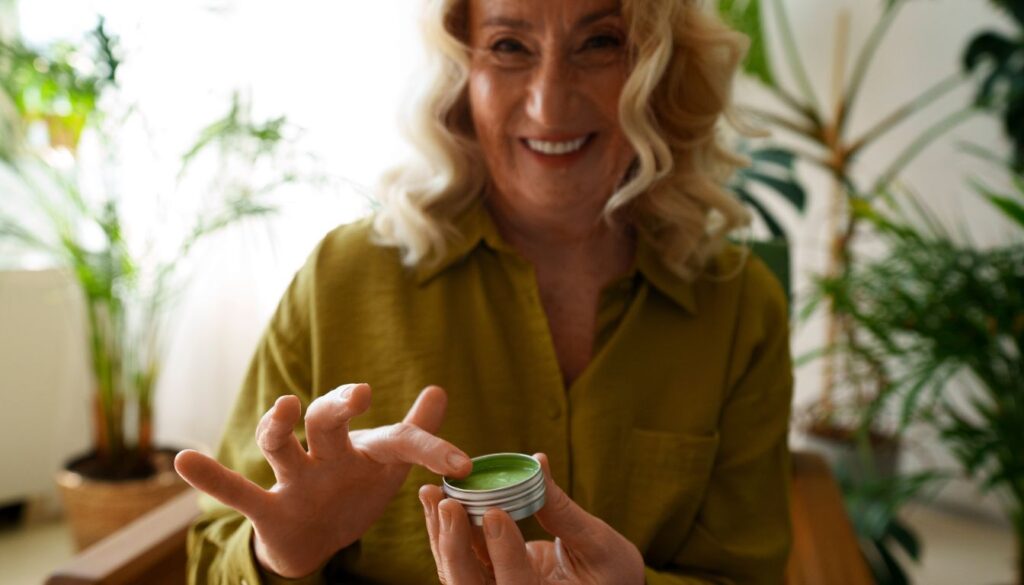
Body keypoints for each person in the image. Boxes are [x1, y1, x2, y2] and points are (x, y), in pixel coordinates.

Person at [173, 0, 794, 583]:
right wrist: (277, 555)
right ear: (460, 73)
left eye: (600, 42)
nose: (550, 106)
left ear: (662, 67)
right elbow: (211, 559)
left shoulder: (740, 307)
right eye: (508, 46)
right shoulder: (342, 276)